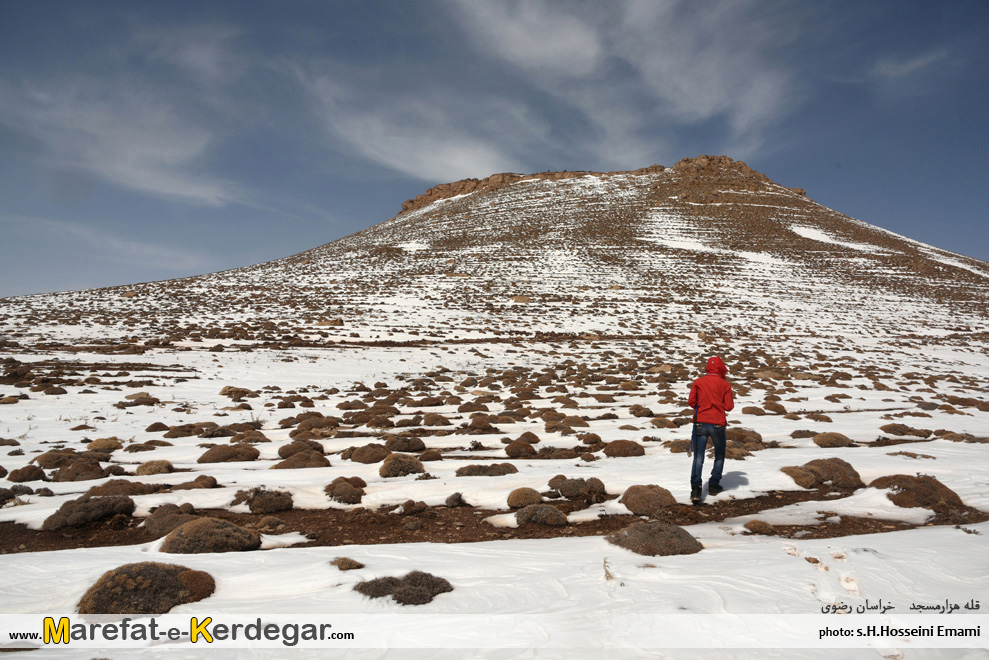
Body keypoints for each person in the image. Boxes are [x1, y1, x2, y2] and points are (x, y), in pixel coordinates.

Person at [687, 356, 734, 503]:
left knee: (698, 457)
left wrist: (702, 406)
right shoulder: (725, 384)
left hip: (700, 422)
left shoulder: (698, 382)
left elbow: (691, 402)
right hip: (718, 424)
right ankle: (714, 485)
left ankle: (696, 490)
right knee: (719, 454)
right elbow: (729, 406)